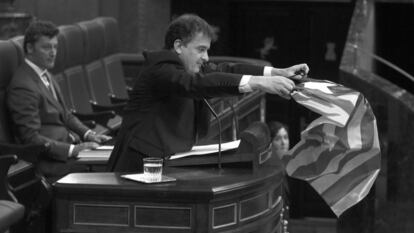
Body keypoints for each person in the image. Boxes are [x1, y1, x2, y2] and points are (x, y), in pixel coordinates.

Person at [107, 14, 309, 172]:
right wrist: (258, 83)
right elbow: (194, 85)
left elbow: (227, 70)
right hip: (135, 170)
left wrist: (276, 72)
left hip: (166, 166)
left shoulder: (190, 67)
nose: (206, 57)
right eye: (201, 49)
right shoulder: (161, 69)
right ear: (178, 46)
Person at [6, 20, 111, 180]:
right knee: (109, 170)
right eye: (47, 47)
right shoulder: (23, 86)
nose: (53, 52)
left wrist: (88, 134)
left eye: (55, 47)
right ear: (29, 48)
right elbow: (31, 139)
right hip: (50, 162)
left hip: (67, 151)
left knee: (116, 157)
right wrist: (72, 150)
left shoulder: (45, 74)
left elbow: (66, 115)